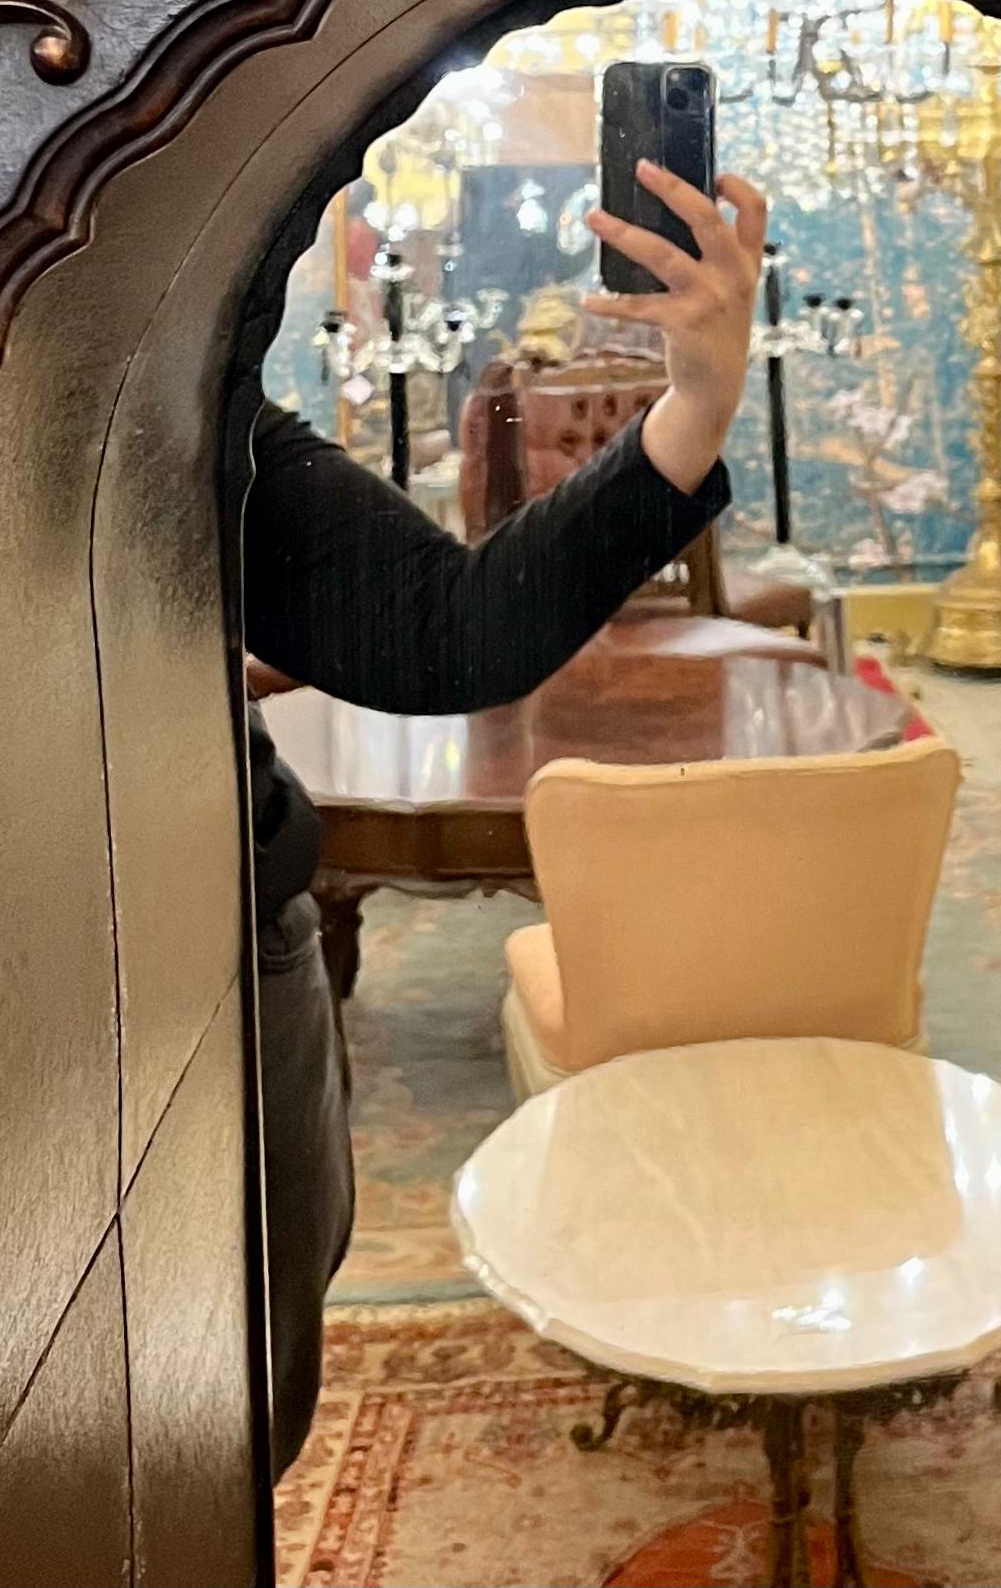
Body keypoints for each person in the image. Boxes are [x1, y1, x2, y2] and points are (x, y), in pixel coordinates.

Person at [240, 160, 767, 1475]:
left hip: (223, 958)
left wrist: (700, 395)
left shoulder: (194, 408)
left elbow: (451, 631)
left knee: (237, 1416)